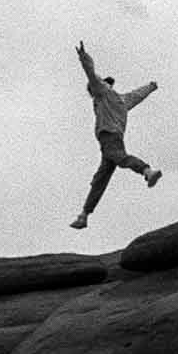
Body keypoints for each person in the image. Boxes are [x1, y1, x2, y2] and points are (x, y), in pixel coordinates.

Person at [71, 41, 161, 229]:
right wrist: (151, 86)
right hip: (113, 139)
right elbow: (138, 94)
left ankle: (147, 171)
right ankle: (84, 215)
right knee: (101, 178)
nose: (91, 93)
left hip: (109, 137)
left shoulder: (101, 93)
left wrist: (83, 58)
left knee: (120, 159)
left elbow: (91, 75)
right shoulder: (122, 99)